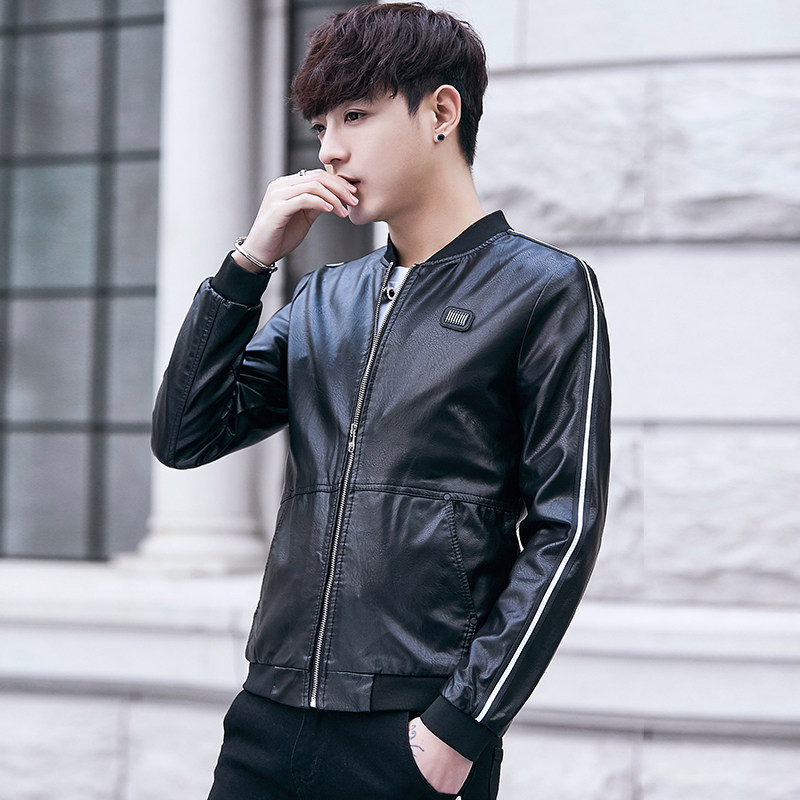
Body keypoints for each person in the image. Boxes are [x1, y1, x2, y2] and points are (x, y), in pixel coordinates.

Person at [152, 3, 611, 798]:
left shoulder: (542, 290)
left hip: (412, 730)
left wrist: (461, 725)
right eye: (320, 125)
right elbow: (186, 435)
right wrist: (248, 265)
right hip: (269, 716)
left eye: (355, 115)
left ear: (441, 112)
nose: (329, 149)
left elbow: (565, 529)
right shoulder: (323, 298)